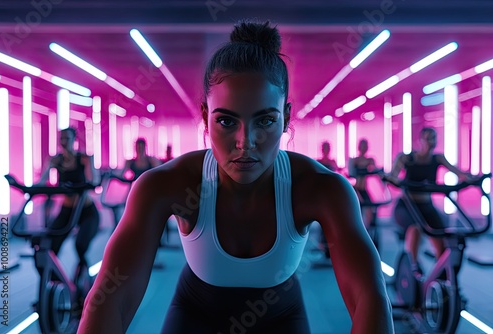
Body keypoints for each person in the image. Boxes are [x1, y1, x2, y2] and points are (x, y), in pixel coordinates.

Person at [78, 20, 393, 334]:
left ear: (285, 118)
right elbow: (109, 298)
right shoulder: (164, 185)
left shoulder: (323, 190)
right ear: (205, 117)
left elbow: (370, 297)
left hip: (281, 318)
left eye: (265, 121)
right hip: (195, 315)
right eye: (227, 122)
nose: (246, 142)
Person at [387, 127, 472, 271]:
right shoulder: (407, 158)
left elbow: (460, 173)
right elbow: (392, 176)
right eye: (427, 138)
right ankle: (412, 269)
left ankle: (441, 276)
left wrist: (474, 179)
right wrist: (392, 179)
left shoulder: (437, 159)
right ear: (420, 141)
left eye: (433, 138)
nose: (431, 142)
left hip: (427, 206)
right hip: (407, 206)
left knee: (442, 239)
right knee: (415, 229)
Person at [38, 127, 100, 300]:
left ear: (74, 139)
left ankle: (83, 285)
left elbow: (93, 180)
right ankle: (59, 286)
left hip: (86, 211)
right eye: (61, 138)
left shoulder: (84, 159)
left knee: (80, 246)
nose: (64, 141)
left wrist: (90, 179)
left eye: (67, 138)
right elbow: (42, 181)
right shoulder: (55, 160)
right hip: (66, 211)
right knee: (48, 247)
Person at [348, 139, 377, 228]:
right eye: (362, 146)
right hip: (357, 189)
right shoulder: (354, 160)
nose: (364, 148)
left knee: (371, 208)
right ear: (359, 147)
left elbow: (375, 170)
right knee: (357, 210)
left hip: (364, 189)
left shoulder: (370, 160)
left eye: (365, 146)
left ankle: (369, 229)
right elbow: (350, 173)